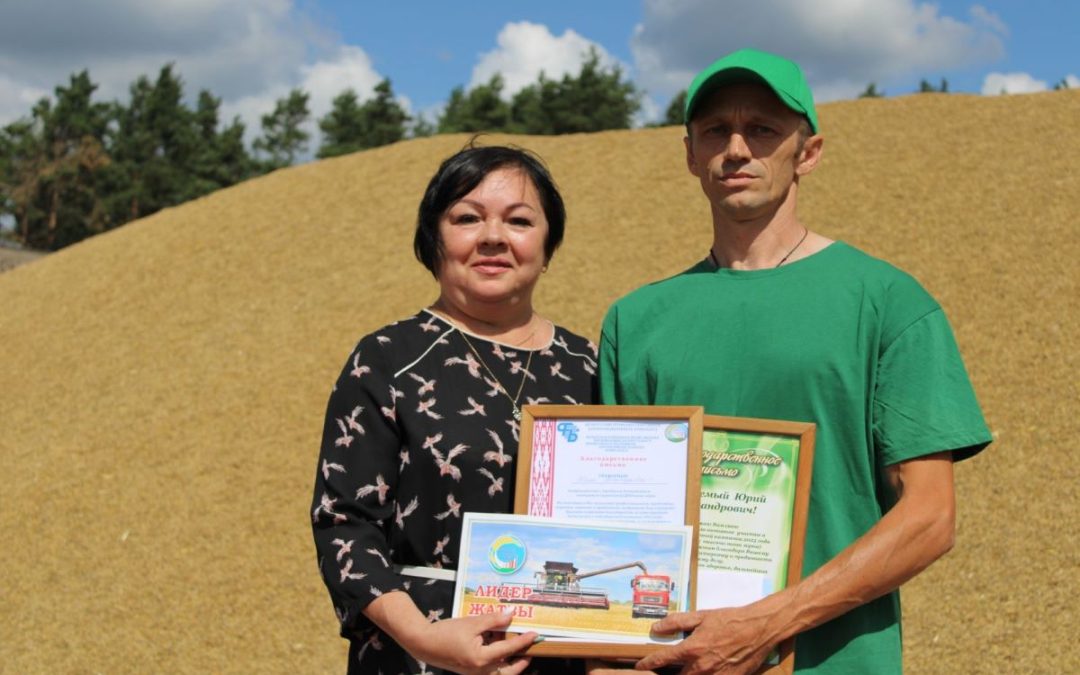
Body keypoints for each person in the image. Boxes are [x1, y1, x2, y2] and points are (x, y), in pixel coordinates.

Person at [597, 49, 991, 674]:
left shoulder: (888, 302)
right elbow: (616, 517)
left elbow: (930, 517)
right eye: (715, 131)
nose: (736, 149)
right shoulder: (635, 320)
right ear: (691, 155)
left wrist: (764, 624)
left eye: (762, 129)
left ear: (808, 153)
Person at [311, 144, 596, 675]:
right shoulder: (387, 358)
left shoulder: (589, 365)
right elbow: (344, 525)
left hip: (562, 653)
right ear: (433, 239)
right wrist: (424, 637)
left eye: (519, 220)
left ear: (547, 243)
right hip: (420, 654)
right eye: (467, 218)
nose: (493, 237)